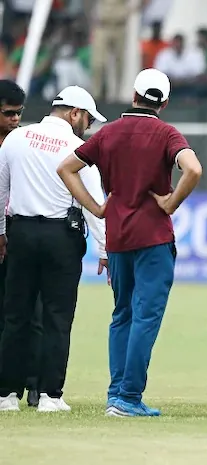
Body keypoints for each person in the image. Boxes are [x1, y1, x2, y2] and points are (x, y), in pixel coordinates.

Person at [56, 69, 204, 417]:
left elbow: (66, 168)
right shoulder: (167, 133)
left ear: (134, 94)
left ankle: (115, 394)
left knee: (122, 314)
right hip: (153, 237)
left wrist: (96, 207)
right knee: (146, 316)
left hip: (118, 236)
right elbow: (193, 169)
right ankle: (128, 397)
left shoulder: (108, 133)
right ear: (163, 103)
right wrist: (170, 202)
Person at [0, 86, 108, 413]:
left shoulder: (17, 138)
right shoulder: (79, 148)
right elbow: (94, 204)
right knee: (57, 317)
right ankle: (50, 395)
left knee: (15, 315)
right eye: (87, 119)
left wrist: (2, 233)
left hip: (20, 232)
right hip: (60, 236)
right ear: (74, 113)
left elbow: (1, 190)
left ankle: (6, 395)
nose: (87, 126)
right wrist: (106, 248)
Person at [0, 80, 44, 408]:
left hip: (18, 231)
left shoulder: (23, 143)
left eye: (19, 113)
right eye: (9, 113)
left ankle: (33, 384)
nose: (16, 119)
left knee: (30, 311)